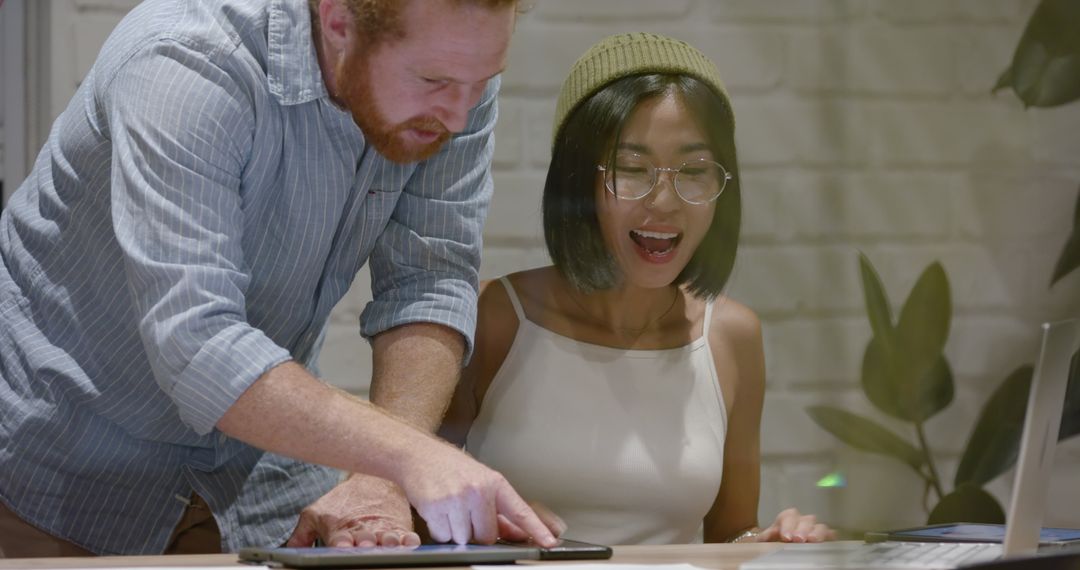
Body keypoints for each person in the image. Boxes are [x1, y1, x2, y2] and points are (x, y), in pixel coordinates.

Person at [0, 0, 561, 558]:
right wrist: (412, 455)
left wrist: (382, 478)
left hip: (253, 474)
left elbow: (429, 281)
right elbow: (198, 342)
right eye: (432, 80)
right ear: (338, 22)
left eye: (481, 83)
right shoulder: (187, 61)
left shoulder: (455, 73)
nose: (459, 117)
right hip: (57, 462)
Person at [439, 32, 836, 545]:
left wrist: (769, 544)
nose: (665, 202)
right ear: (577, 180)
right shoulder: (494, 316)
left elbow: (730, 535)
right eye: (630, 169)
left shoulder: (732, 337)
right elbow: (404, 509)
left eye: (694, 171)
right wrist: (482, 523)